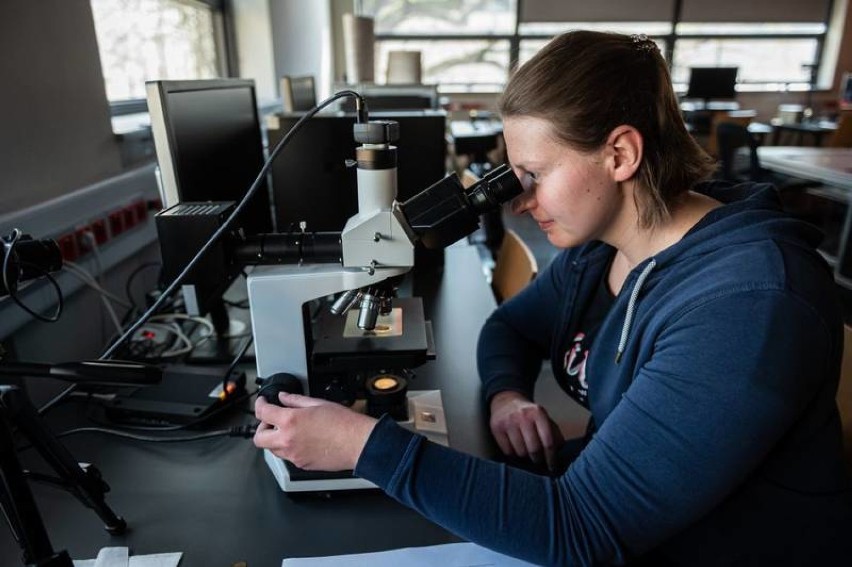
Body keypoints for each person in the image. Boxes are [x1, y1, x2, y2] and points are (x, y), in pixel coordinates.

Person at [253, 30, 852, 565]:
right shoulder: (602, 250)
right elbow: (508, 328)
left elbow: (583, 527)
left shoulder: (747, 306)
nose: (518, 201)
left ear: (620, 154)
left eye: (533, 176)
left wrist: (362, 446)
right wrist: (508, 395)